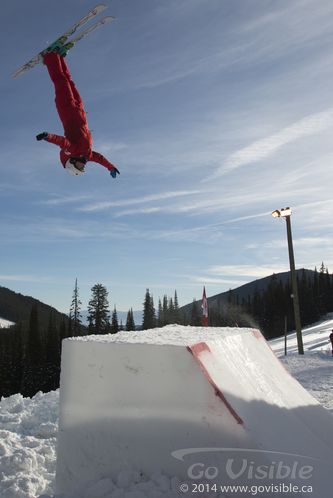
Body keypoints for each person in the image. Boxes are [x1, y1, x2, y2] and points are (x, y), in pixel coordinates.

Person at [36, 47, 120, 178]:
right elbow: (100, 158)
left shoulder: (71, 151)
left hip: (67, 108)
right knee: (69, 81)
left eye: (80, 167)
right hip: (79, 110)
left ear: (72, 163)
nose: (83, 165)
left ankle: (49, 57)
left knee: (61, 80)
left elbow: (62, 142)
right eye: (83, 168)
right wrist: (110, 167)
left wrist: (48, 137)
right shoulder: (87, 155)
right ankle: (59, 57)